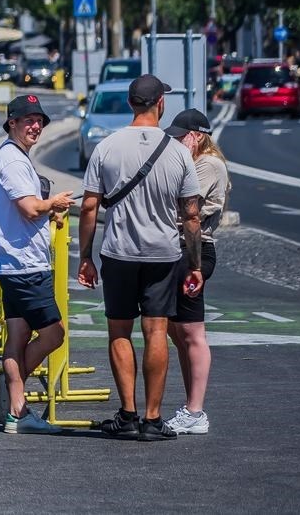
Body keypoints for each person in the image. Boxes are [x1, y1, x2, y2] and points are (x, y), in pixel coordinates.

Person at [77, 74, 203, 442]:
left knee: (119, 330)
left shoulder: (107, 147)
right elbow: (191, 215)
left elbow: (88, 207)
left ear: (131, 105)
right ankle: (152, 418)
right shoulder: (178, 152)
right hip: (163, 254)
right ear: (160, 104)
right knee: (156, 331)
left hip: (118, 252)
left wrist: (85, 257)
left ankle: (127, 414)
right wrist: (194, 264)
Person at [0, 95, 71, 434]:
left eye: (39, 120)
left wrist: (48, 209)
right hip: (25, 265)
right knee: (54, 334)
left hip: (15, 261)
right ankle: (17, 400)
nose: (35, 125)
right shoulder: (11, 159)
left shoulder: (13, 156)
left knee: (19, 333)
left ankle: (17, 410)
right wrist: (54, 202)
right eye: (28, 120)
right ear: (12, 123)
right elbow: (28, 207)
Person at [165, 108, 230, 436]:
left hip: (195, 250)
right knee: (177, 333)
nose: (176, 141)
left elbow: (184, 209)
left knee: (192, 333)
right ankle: (191, 405)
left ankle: (195, 411)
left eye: (181, 136)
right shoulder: (190, 161)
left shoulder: (208, 165)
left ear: (198, 136)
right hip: (179, 248)